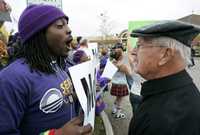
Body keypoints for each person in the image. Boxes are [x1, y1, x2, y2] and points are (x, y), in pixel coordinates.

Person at [0, 4, 92, 135]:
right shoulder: (11, 79)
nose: (69, 30)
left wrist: (80, 94)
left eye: (67, 24)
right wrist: (57, 134)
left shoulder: (58, 66)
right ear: (38, 34)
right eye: (60, 26)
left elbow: (61, 99)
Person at [128, 21, 200, 135]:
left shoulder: (164, 122)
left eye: (139, 46)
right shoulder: (175, 97)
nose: (133, 52)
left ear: (165, 54)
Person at [110, 42, 131, 119]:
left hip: (115, 83)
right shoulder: (122, 64)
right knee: (120, 99)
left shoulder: (113, 63)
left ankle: (114, 109)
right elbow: (129, 74)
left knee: (118, 97)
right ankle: (118, 113)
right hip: (121, 83)